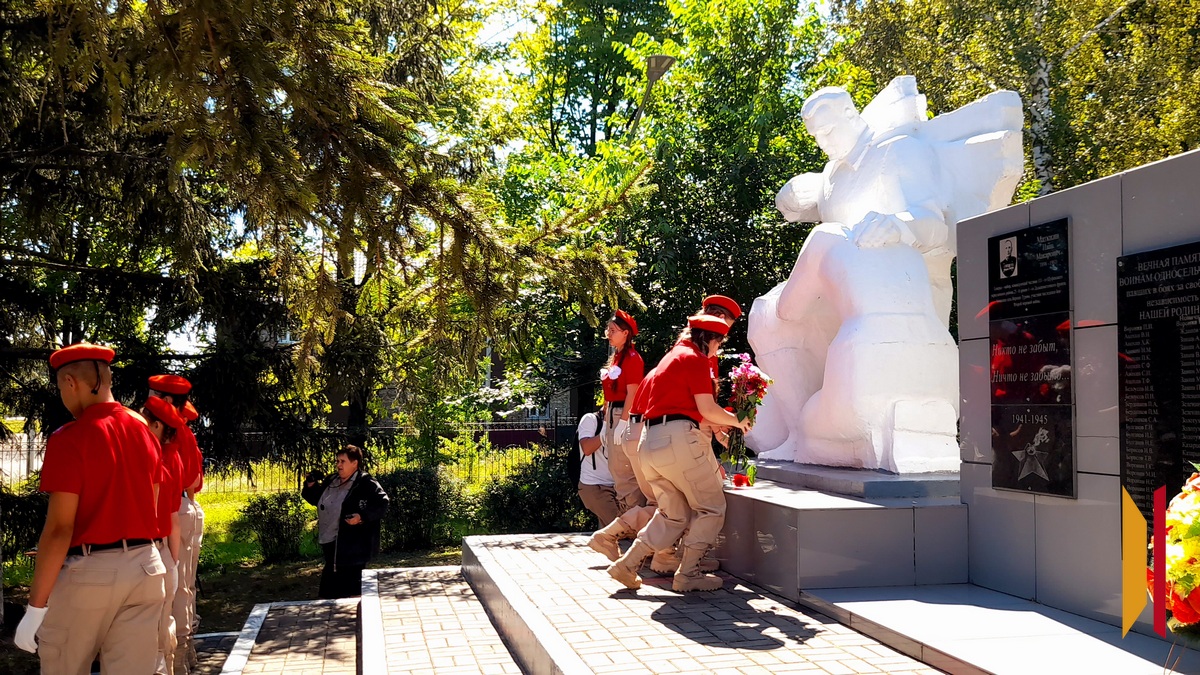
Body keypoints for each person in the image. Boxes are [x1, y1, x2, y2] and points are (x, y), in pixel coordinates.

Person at [15, 342, 167, 674]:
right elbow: (151, 506)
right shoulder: (143, 430)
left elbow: (60, 528)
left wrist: (35, 607)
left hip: (90, 574)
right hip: (147, 567)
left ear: (71, 383)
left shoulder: (69, 438)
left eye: (61, 388)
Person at [606, 316, 751, 593]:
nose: (717, 349)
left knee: (672, 514)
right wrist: (737, 421)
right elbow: (706, 409)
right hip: (678, 440)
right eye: (718, 343)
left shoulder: (670, 357)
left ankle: (627, 564)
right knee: (711, 507)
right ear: (710, 338)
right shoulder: (695, 358)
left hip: (649, 442)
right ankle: (688, 574)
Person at [148, 373, 204, 673]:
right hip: (186, 505)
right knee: (185, 585)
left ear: (166, 401)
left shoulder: (172, 434)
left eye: (152, 397)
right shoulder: (185, 431)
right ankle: (185, 652)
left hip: (174, 510)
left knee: (175, 588)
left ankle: (178, 658)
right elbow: (196, 479)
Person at [302, 445, 390, 599]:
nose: (338, 465)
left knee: (347, 590)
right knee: (331, 588)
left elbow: (382, 503)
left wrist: (362, 517)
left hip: (352, 545)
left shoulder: (365, 482)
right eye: (337, 461)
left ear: (354, 463)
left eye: (343, 461)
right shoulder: (332, 480)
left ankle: (350, 609)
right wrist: (311, 485)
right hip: (330, 540)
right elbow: (318, 500)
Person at [141, 395, 187, 675]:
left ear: (157, 426)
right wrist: (174, 562)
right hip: (164, 552)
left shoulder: (154, 460)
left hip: (147, 552)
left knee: (148, 637)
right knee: (163, 626)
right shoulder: (173, 458)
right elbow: (173, 518)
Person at [599, 309, 646, 513]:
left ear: (625, 333)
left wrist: (623, 422)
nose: (609, 334)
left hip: (621, 414)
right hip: (613, 414)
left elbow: (632, 393)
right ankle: (628, 516)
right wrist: (605, 423)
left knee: (624, 471)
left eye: (613, 330)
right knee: (616, 469)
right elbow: (609, 394)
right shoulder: (617, 358)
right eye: (608, 330)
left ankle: (632, 516)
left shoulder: (632, 358)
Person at [575, 407, 620, 528]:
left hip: (617, 488)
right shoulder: (590, 419)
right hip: (595, 486)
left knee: (609, 532)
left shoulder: (622, 422)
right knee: (622, 527)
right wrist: (604, 431)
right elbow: (587, 448)